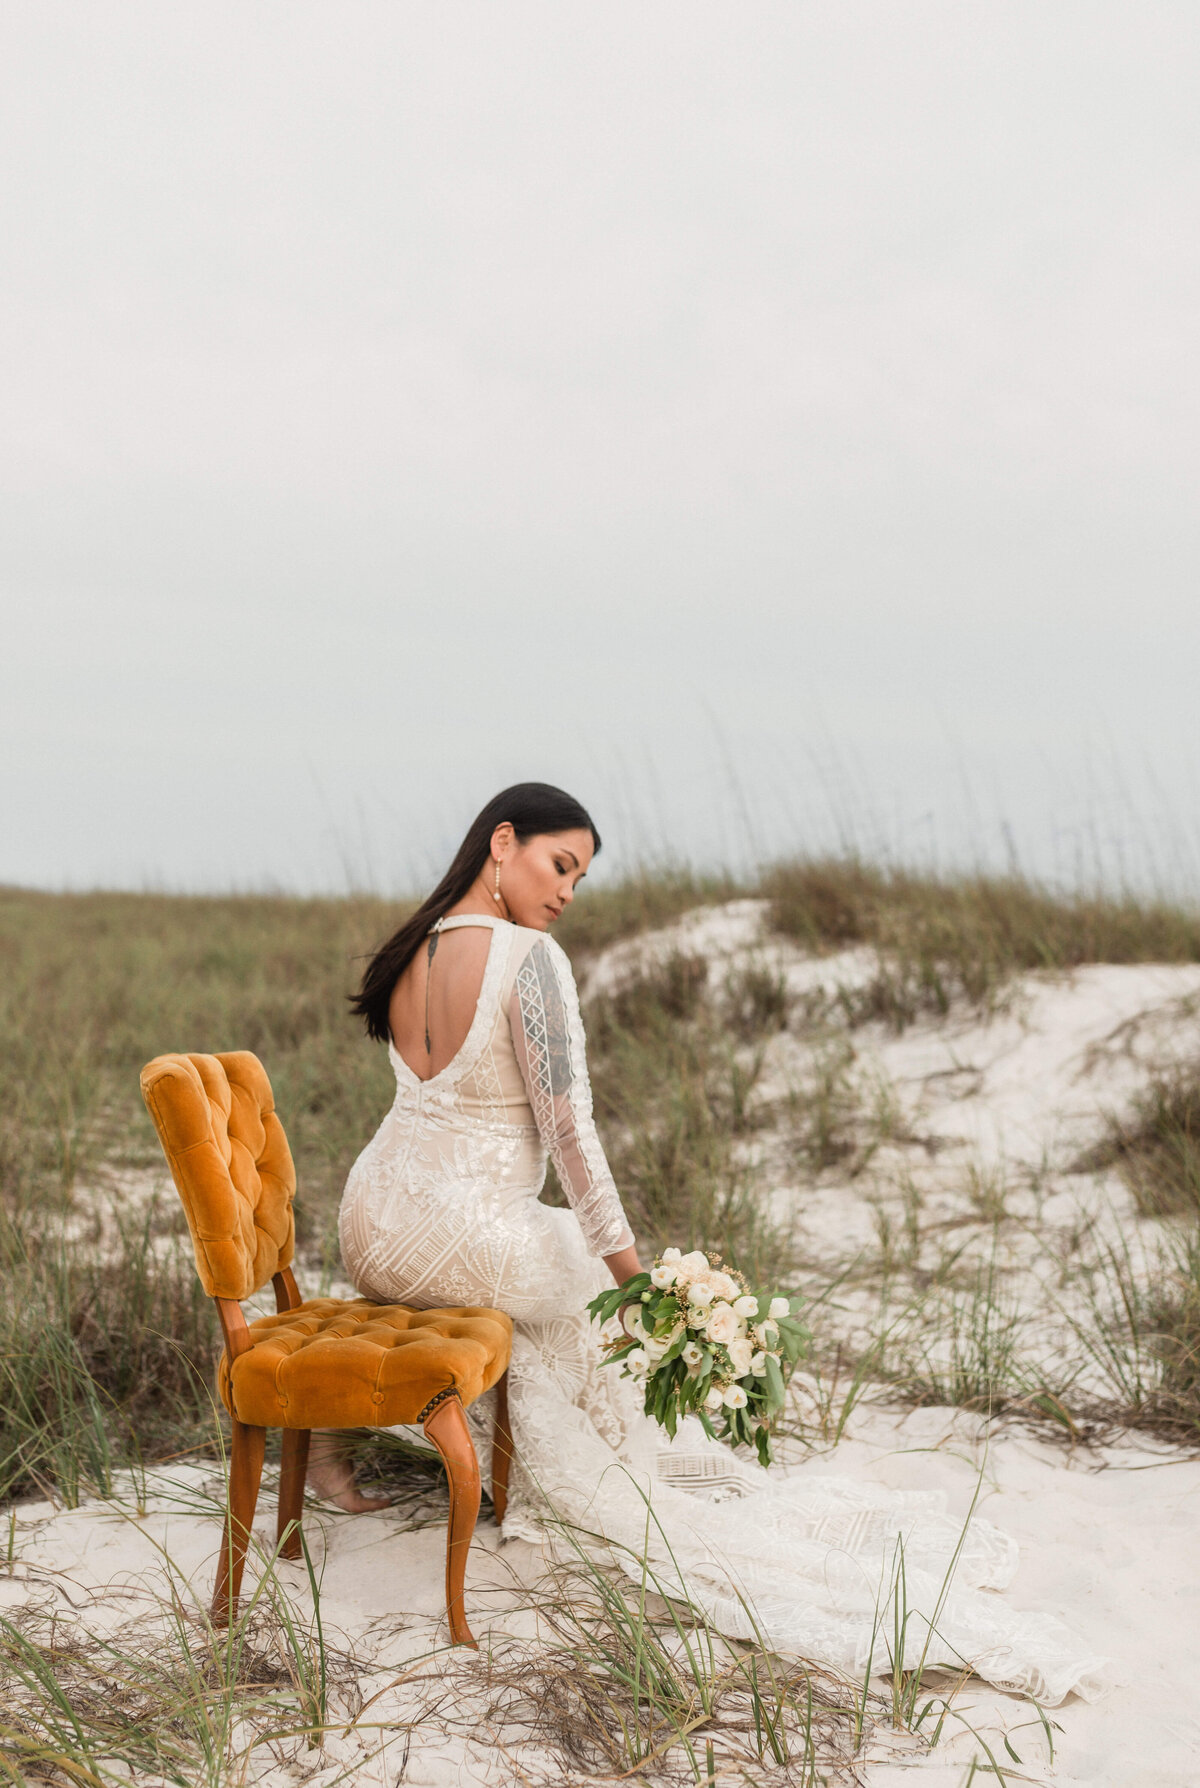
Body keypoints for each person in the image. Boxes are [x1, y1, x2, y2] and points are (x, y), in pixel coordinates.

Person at [330, 783, 1102, 1704]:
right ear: (503, 842)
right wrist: (637, 1277)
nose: (570, 889)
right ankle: (584, 1489)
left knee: (547, 1318)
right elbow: (570, 1136)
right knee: (590, 1289)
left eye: (579, 874)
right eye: (559, 863)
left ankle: (426, 1463)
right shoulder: (530, 959)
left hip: (368, 1221)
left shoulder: (417, 944)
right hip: (457, 1230)